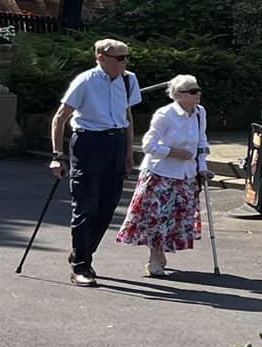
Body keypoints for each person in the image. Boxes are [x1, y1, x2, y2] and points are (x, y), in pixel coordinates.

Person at [48, 38, 142, 287]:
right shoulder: (85, 81)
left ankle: (82, 250)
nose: (125, 62)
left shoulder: (129, 79)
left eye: (127, 57)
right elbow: (60, 118)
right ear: (101, 57)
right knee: (86, 205)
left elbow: (128, 116)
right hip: (88, 144)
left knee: (108, 206)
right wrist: (58, 156)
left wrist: (129, 152)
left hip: (116, 143)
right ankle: (81, 266)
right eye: (120, 57)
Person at [117, 75, 211, 277]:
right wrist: (174, 152)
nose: (198, 94)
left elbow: (202, 142)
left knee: (176, 218)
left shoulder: (200, 113)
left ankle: (160, 252)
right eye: (193, 91)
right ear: (178, 95)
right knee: (157, 218)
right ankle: (154, 256)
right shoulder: (165, 114)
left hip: (186, 175)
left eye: (198, 89)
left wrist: (201, 166)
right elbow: (148, 145)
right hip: (161, 174)